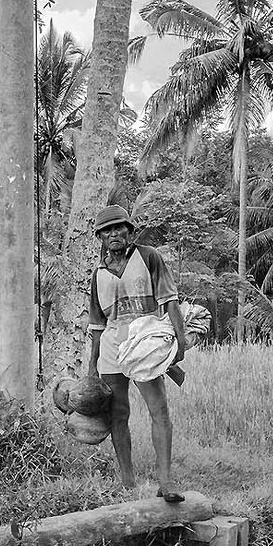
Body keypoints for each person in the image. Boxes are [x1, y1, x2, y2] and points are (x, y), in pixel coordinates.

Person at [86, 203, 187, 502]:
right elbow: (96, 326)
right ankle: (127, 481)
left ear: (130, 232)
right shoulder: (98, 274)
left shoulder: (148, 257)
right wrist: (91, 368)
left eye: (119, 228)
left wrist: (179, 344)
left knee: (160, 411)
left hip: (145, 345)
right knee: (118, 414)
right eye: (107, 231)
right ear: (101, 238)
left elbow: (170, 301)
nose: (114, 234)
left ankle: (166, 482)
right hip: (111, 349)